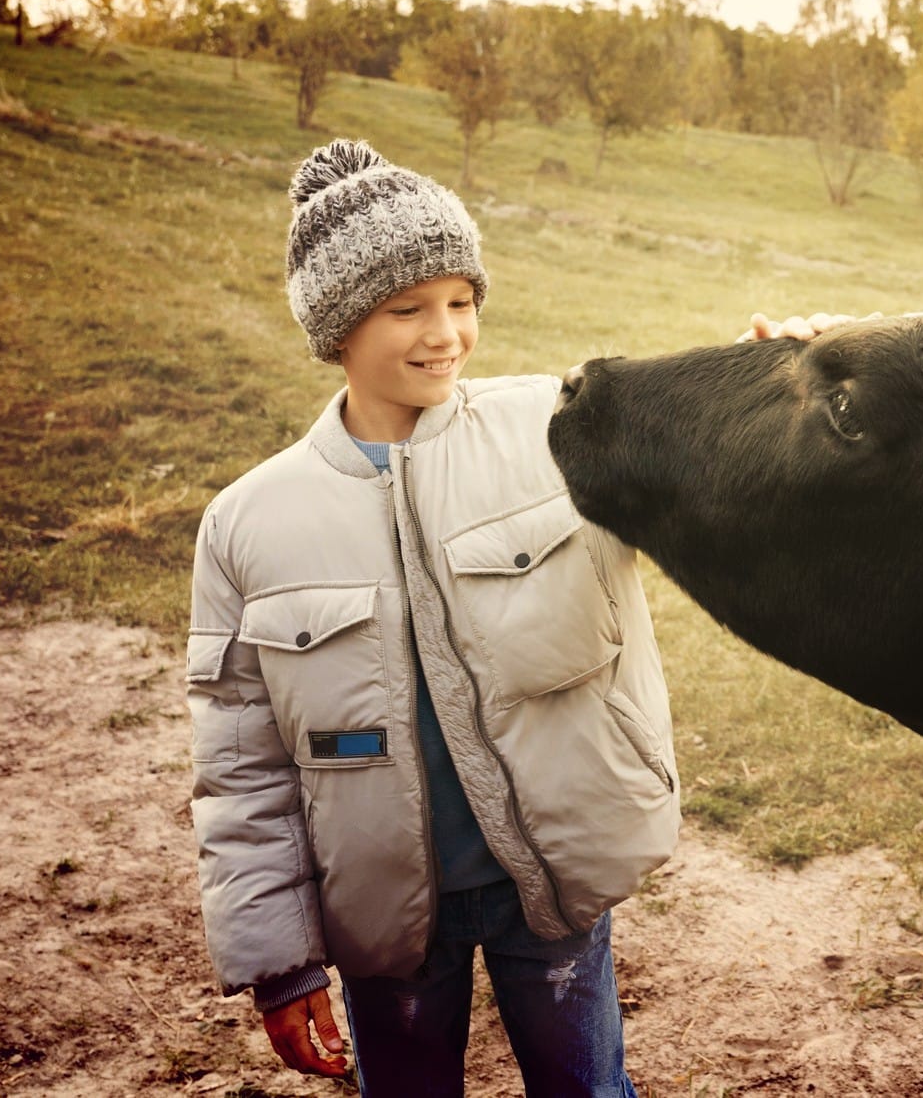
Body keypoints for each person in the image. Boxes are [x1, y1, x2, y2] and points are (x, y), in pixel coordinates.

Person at [185, 139, 682, 1097]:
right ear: (336, 327)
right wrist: (280, 962)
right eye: (407, 307)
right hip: (387, 920)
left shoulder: (556, 430)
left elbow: (710, 458)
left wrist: (784, 372)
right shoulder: (250, 523)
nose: (444, 332)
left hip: (554, 885)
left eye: (462, 300)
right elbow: (240, 764)